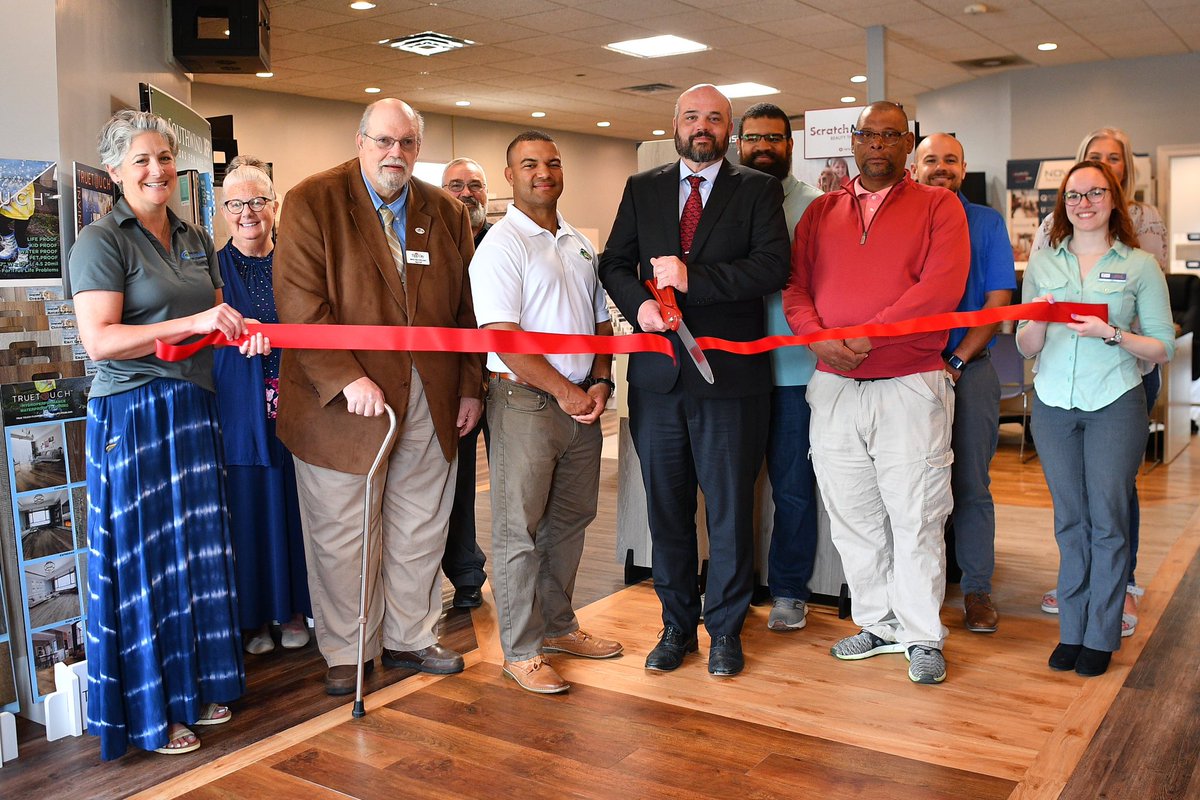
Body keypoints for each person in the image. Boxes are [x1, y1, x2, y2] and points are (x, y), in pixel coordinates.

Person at [69, 109, 268, 759]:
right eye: (142, 161)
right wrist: (200, 322)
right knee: (146, 564)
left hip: (191, 406)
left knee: (194, 554)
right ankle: (153, 713)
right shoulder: (101, 241)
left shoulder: (189, 236)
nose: (158, 171)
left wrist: (239, 332)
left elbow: (208, 322)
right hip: (133, 413)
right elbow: (100, 341)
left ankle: (192, 689)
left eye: (164, 159)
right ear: (115, 173)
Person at [273, 98, 483, 696]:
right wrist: (345, 377)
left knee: (421, 524)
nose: (397, 154)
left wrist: (470, 386)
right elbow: (300, 306)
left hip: (430, 392)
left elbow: (468, 312)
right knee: (343, 529)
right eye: (385, 141)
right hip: (342, 402)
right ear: (360, 140)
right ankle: (348, 649)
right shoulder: (313, 200)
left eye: (408, 144)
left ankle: (410, 637)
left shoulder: (444, 210)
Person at [599, 84, 790, 677]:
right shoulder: (643, 188)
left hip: (730, 383)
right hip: (658, 380)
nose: (701, 127)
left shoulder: (757, 191)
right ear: (675, 124)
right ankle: (676, 626)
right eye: (691, 117)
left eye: (713, 118)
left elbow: (772, 267)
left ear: (728, 129)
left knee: (731, 510)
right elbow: (612, 263)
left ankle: (726, 630)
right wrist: (642, 307)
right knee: (667, 510)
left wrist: (692, 278)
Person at [783, 101, 969, 685]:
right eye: (869, 135)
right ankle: (878, 621)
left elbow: (939, 289)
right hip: (834, 385)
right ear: (854, 142)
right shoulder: (820, 212)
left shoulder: (940, 207)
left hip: (910, 384)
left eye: (892, 136)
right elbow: (796, 289)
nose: (879, 145)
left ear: (907, 143)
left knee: (916, 514)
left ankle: (921, 634)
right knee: (852, 515)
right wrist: (817, 340)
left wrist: (865, 335)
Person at [472, 131, 622, 694]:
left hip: (582, 401)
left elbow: (599, 323)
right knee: (520, 530)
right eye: (529, 164)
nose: (544, 172)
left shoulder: (577, 243)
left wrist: (602, 382)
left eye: (553, 163)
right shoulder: (502, 245)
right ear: (509, 176)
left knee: (570, 522)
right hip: (527, 403)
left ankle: (558, 626)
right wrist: (566, 391)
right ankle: (522, 649)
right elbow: (505, 340)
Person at [1016, 160, 1172, 677]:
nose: (1084, 203)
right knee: (1070, 521)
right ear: (1064, 204)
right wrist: (1034, 322)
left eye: (1095, 193)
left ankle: (1101, 634)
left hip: (1115, 401)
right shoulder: (1044, 262)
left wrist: (1111, 334)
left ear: (1114, 200)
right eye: (1075, 195)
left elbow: (1162, 346)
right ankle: (1073, 629)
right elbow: (1025, 343)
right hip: (1054, 403)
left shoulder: (1139, 265)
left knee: (1108, 521)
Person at [913, 133, 1016, 633]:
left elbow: (998, 303)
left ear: (963, 167)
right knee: (912, 487)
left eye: (950, 160)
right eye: (931, 159)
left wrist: (956, 359)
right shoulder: (902, 221)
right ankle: (917, 593)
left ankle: (976, 590)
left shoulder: (987, 222)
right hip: (908, 373)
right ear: (914, 168)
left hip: (969, 370)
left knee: (971, 485)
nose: (941, 168)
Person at [212, 155, 312, 655]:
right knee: (249, 513)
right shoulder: (209, 268)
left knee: (297, 511)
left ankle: (296, 610)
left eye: (257, 201)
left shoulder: (298, 261)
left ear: (274, 204)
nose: (247, 212)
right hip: (240, 411)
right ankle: (253, 619)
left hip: (300, 407)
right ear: (222, 208)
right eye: (236, 203)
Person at [736, 103, 823, 631]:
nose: (762, 147)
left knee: (793, 487)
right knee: (732, 487)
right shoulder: (723, 200)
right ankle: (734, 588)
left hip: (795, 375)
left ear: (790, 145)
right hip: (734, 376)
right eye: (752, 139)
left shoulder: (816, 207)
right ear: (737, 144)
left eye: (773, 138)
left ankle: (790, 590)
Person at [440, 156, 491, 609]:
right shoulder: (435, 243)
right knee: (458, 482)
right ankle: (466, 573)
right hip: (460, 382)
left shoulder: (507, 240)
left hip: (516, 379)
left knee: (516, 484)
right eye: (455, 185)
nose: (465, 193)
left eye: (474, 185)